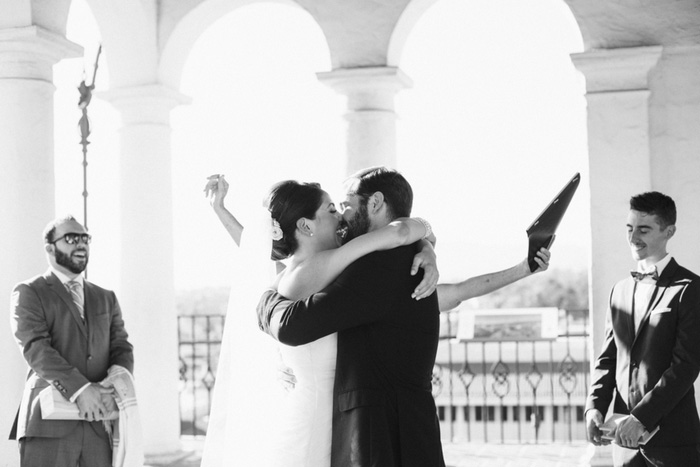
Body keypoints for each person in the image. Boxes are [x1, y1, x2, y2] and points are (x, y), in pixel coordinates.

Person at [254, 167, 551, 467]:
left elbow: (295, 325)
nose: (342, 216)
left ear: (375, 203)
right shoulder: (397, 262)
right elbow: (453, 293)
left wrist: (265, 300)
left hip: (379, 434)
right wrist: (427, 242)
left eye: (344, 205)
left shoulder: (373, 269)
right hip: (409, 426)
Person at [585, 191, 700, 466]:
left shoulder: (690, 289)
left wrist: (641, 419)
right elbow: (608, 359)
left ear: (668, 231)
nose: (634, 237)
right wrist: (595, 408)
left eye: (644, 229)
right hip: (623, 446)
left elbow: (686, 366)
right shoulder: (619, 291)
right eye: (630, 228)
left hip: (672, 446)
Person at [9, 215, 134, 467]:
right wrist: (81, 390)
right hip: (48, 424)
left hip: (99, 425)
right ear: (50, 248)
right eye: (71, 238)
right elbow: (37, 348)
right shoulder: (29, 292)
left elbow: (121, 348)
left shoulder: (105, 297)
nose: (81, 244)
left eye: (85, 238)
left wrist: (114, 389)